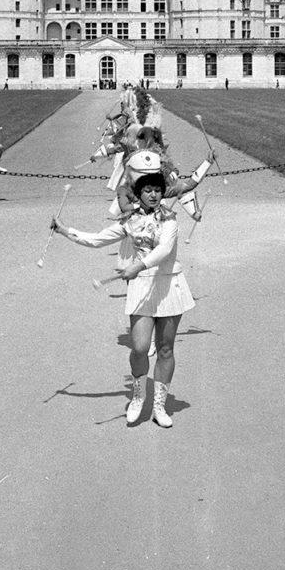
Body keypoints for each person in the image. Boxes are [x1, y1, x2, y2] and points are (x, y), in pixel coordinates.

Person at [51, 165, 193, 428]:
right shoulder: (130, 221)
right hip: (142, 288)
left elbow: (164, 249)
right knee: (139, 347)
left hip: (169, 285)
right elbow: (97, 239)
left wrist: (138, 265)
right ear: (138, 194)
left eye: (157, 191)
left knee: (164, 348)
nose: (153, 195)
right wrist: (65, 231)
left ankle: (159, 406)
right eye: (148, 190)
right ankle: (138, 396)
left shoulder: (170, 218)